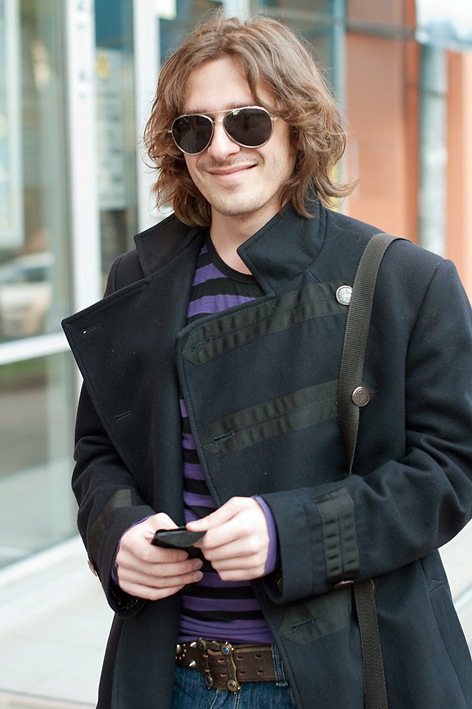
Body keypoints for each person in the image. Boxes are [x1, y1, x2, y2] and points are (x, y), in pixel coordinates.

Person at [62, 12, 472, 709]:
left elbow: (450, 471)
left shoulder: (406, 281)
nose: (221, 147)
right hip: (169, 674)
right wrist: (117, 533)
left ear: (297, 127)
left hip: (338, 675)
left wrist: (291, 531)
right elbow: (101, 451)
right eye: (195, 128)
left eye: (247, 121)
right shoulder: (140, 277)